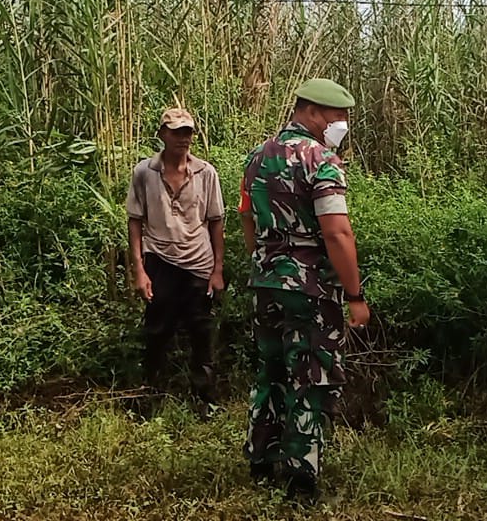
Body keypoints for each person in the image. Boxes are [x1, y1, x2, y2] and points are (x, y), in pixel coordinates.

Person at [238, 78, 371, 502]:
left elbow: (245, 216)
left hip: (265, 280)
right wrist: (354, 295)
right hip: (310, 287)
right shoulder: (321, 161)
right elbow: (337, 233)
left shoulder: (258, 155)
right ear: (314, 112)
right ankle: (302, 476)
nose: (343, 124)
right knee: (310, 374)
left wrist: (264, 260)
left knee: (272, 367)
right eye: (339, 116)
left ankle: (261, 456)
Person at [126, 107, 225, 407]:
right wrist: (139, 270)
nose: (184, 138)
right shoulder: (145, 172)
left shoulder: (206, 173)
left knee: (201, 332)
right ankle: (152, 395)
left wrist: (218, 269)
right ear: (162, 135)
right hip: (160, 260)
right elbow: (134, 220)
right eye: (177, 132)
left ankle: (204, 399)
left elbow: (217, 220)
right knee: (157, 330)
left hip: (198, 262)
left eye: (188, 132)